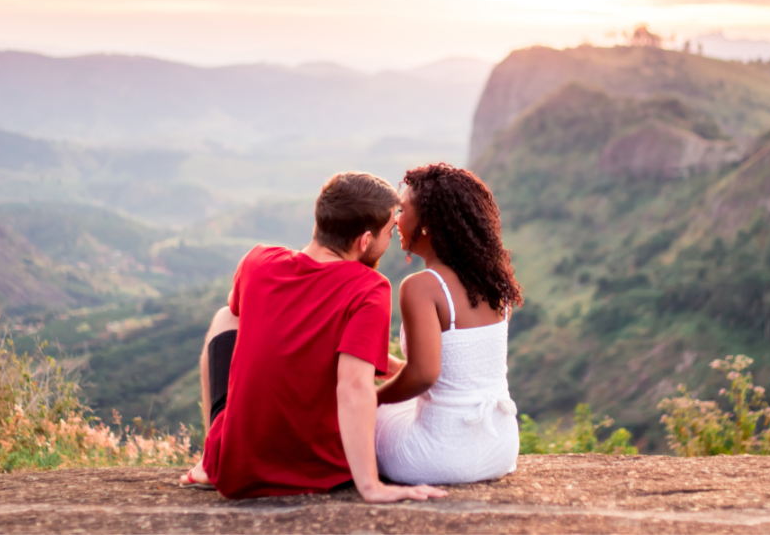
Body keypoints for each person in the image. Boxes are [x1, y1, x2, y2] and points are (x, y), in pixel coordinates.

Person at [179, 171, 446, 503]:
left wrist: (393, 366)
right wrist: (371, 486)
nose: (391, 239)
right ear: (365, 241)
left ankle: (211, 458)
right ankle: (215, 458)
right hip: (321, 470)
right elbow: (353, 386)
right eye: (389, 231)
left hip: (235, 472)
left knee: (226, 315)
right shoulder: (369, 287)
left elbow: (277, 326)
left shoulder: (257, 262)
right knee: (229, 315)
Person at [375, 163, 524, 484]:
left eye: (401, 209)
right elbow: (457, 374)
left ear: (427, 223)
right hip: (499, 447)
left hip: (439, 454)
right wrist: (388, 366)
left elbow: (424, 375)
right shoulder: (493, 282)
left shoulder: (421, 287)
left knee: (363, 415)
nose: (395, 219)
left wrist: (373, 398)